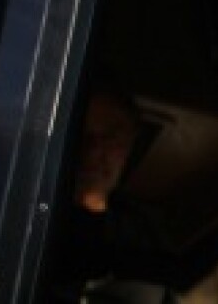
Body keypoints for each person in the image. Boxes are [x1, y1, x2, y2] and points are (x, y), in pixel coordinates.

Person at [40, 85, 177, 304]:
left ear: (129, 146)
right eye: (81, 132)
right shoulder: (23, 212)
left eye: (111, 136)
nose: (94, 149)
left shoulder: (142, 232)